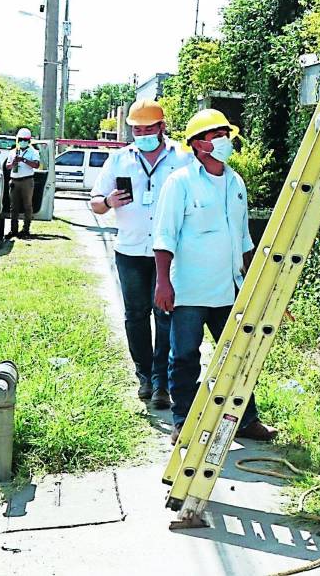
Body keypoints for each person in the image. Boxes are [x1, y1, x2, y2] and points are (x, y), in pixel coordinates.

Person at [153, 109, 277, 445]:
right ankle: (183, 421)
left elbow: (244, 240)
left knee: (239, 356)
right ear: (197, 145)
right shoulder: (180, 183)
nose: (225, 140)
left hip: (230, 289)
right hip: (190, 290)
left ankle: (246, 419)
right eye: (216, 135)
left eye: (226, 134)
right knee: (185, 358)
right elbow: (164, 236)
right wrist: (163, 282)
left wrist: (255, 282)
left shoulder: (236, 183)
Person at [91, 100, 189, 408]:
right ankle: (144, 376)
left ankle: (162, 382)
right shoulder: (119, 160)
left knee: (165, 315)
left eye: (148, 128)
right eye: (137, 129)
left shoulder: (182, 158)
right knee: (135, 316)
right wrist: (108, 201)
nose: (142, 133)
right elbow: (94, 202)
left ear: (162, 127)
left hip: (169, 251)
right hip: (130, 250)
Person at [5, 127, 41, 239]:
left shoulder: (33, 152)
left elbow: (36, 165)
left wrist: (23, 160)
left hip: (27, 180)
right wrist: (14, 162)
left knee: (27, 206)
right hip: (14, 181)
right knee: (13, 207)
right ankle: (13, 230)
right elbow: (7, 166)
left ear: (29, 140)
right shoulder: (12, 152)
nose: (23, 141)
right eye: (20, 139)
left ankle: (26, 229)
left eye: (25, 139)